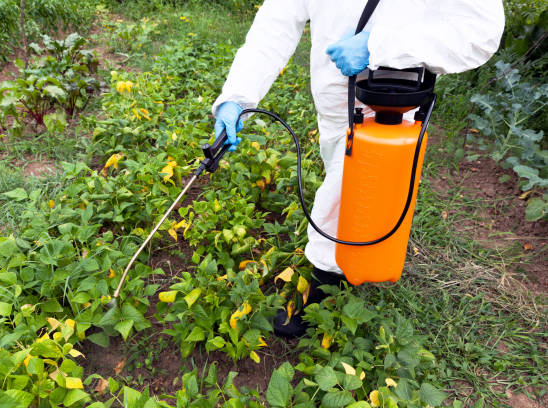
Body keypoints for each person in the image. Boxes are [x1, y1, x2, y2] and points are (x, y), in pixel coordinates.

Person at [213, 0, 505, 337]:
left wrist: (379, 44)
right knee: (350, 192)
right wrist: (237, 96)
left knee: (343, 196)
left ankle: (325, 290)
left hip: (392, 98)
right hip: (334, 100)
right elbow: (276, 23)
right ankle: (350, 260)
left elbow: (480, 33)